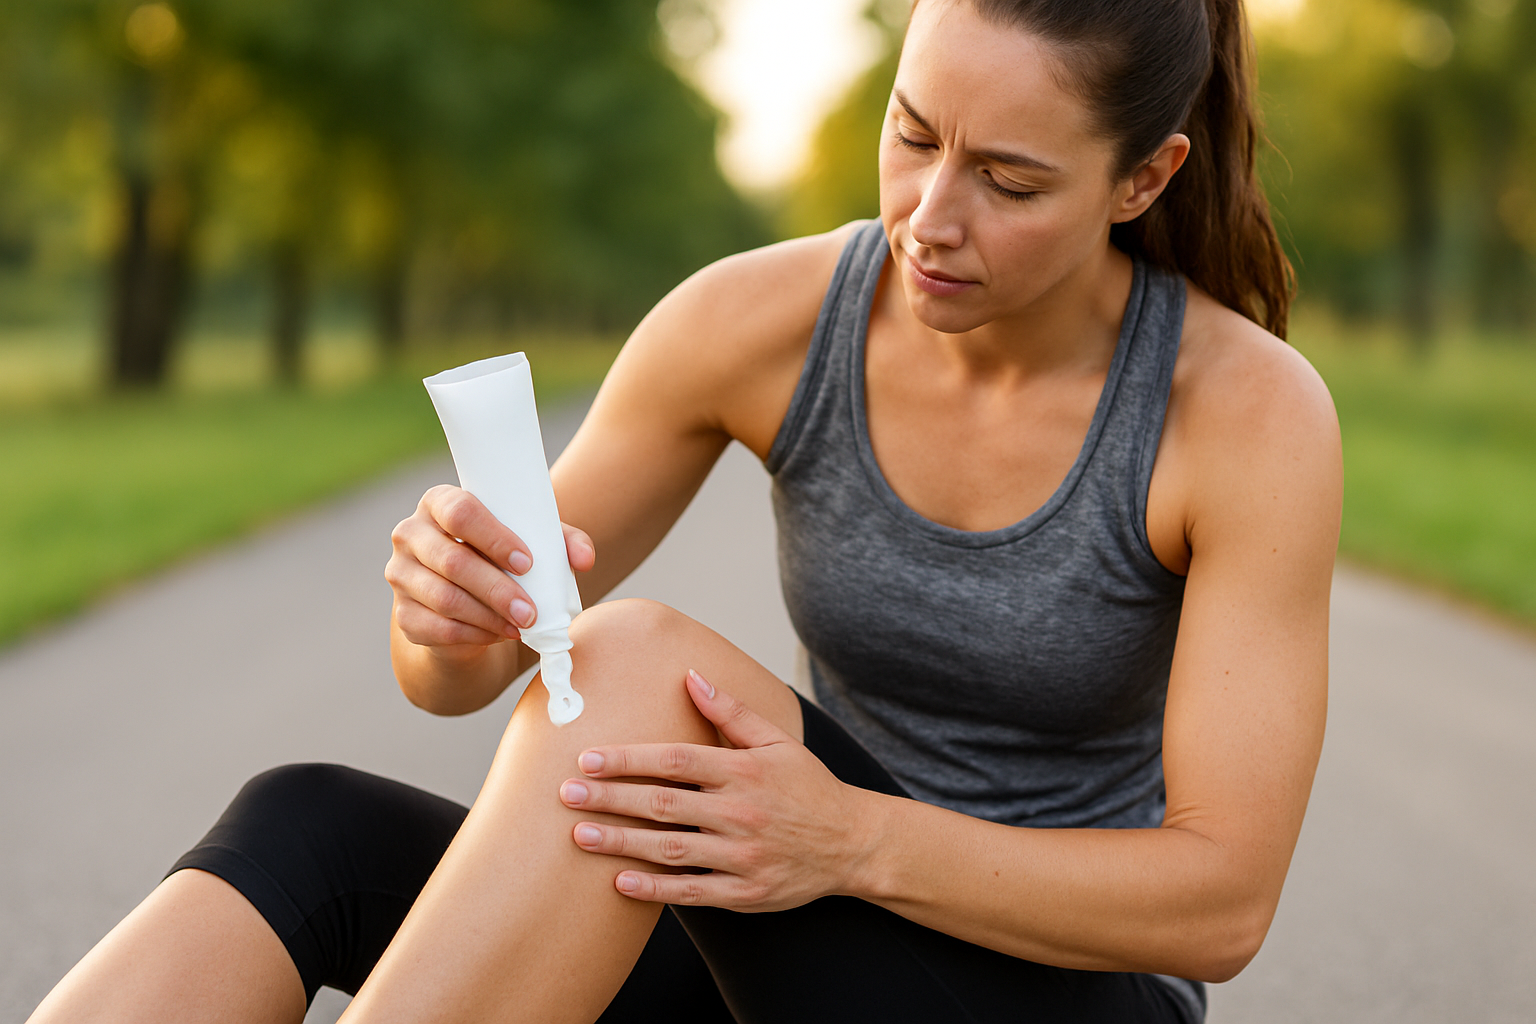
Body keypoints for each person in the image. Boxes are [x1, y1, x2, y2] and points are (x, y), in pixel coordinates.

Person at [28, 0, 1341, 1021]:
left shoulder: (1239, 413)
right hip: (793, 934)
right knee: (307, 825)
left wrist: (847, 841)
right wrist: (447, 604)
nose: (928, 219)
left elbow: (1219, 904)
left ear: (1141, 179)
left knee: (643, 663)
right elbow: (466, 673)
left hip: (1055, 991)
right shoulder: (756, 323)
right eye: (914, 135)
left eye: (1008, 182)